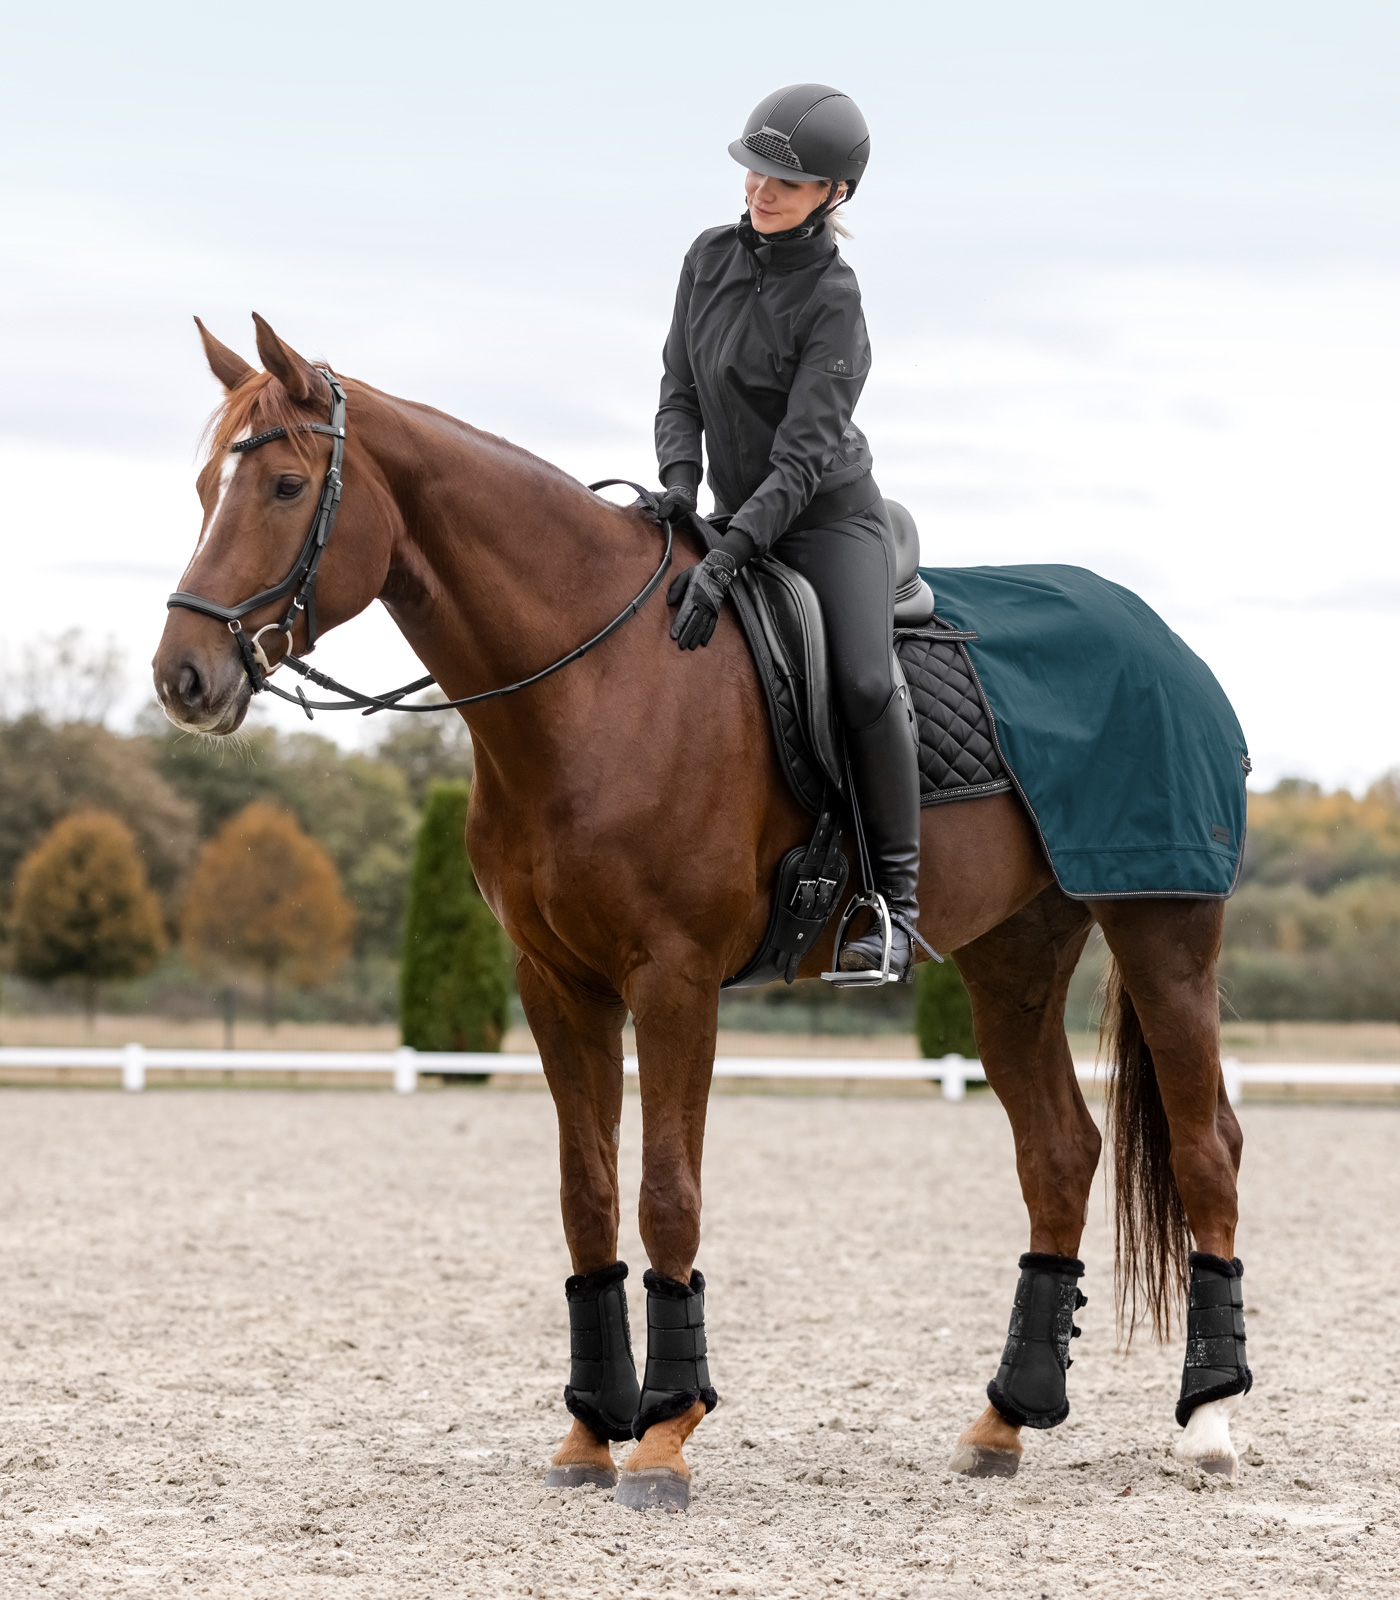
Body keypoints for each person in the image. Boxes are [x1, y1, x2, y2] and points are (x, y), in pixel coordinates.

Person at [655, 83, 922, 976]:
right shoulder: (706, 257)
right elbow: (679, 386)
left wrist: (730, 555)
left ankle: (894, 905)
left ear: (835, 195)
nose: (762, 191)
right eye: (755, 171)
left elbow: (803, 460)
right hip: (731, 511)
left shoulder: (836, 302)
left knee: (861, 683)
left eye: (788, 182)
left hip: (826, 522)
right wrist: (681, 489)